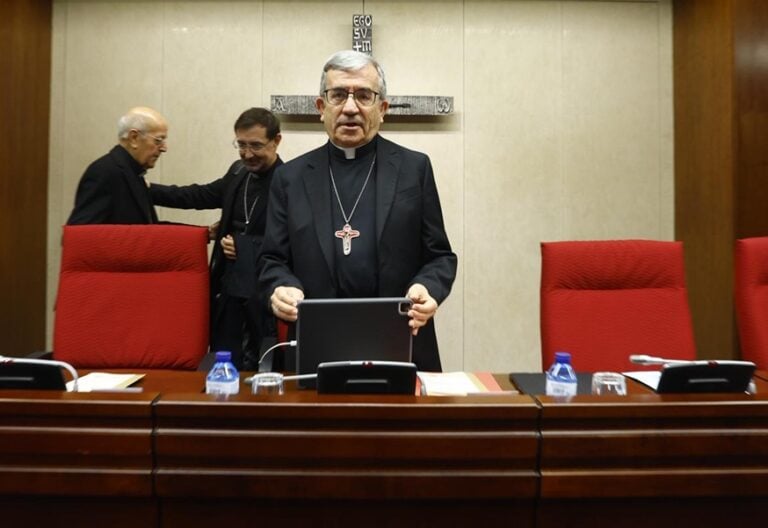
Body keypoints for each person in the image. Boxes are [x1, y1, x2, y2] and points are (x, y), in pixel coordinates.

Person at [258, 50, 457, 372]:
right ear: (321, 108)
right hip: (315, 344)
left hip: (401, 337)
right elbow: (271, 260)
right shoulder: (290, 177)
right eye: (338, 95)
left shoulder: (413, 169)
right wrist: (278, 287)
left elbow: (439, 256)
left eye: (364, 95)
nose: (350, 108)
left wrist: (428, 289)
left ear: (383, 109)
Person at [150, 108, 283, 369]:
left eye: (256, 146)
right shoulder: (238, 172)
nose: (247, 154)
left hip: (260, 290)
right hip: (226, 284)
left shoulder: (288, 181)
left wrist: (245, 247)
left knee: (255, 362)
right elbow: (199, 196)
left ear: (276, 140)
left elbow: (290, 241)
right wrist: (148, 191)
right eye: (241, 145)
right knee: (224, 355)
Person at [67, 106, 168, 225]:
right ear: (134, 138)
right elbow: (81, 235)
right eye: (158, 140)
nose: (164, 148)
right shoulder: (104, 172)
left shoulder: (132, 172)